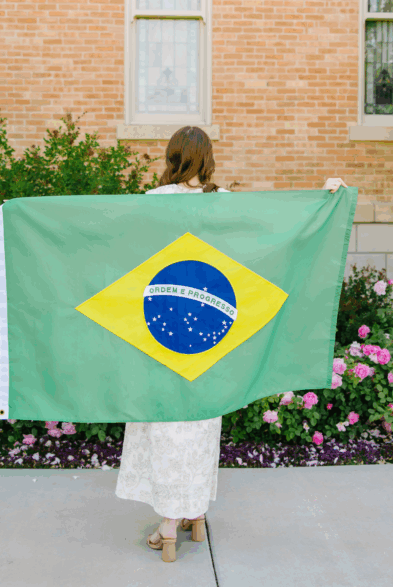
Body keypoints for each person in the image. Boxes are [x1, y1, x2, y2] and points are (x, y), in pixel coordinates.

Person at [114, 125, 348, 563]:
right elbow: (274, 231)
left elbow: (119, 254)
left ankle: (169, 524)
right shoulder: (221, 203)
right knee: (201, 422)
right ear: (207, 159)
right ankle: (194, 513)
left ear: (172, 157)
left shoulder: (151, 203)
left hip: (160, 329)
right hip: (209, 330)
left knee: (165, 424)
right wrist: (324, 198)